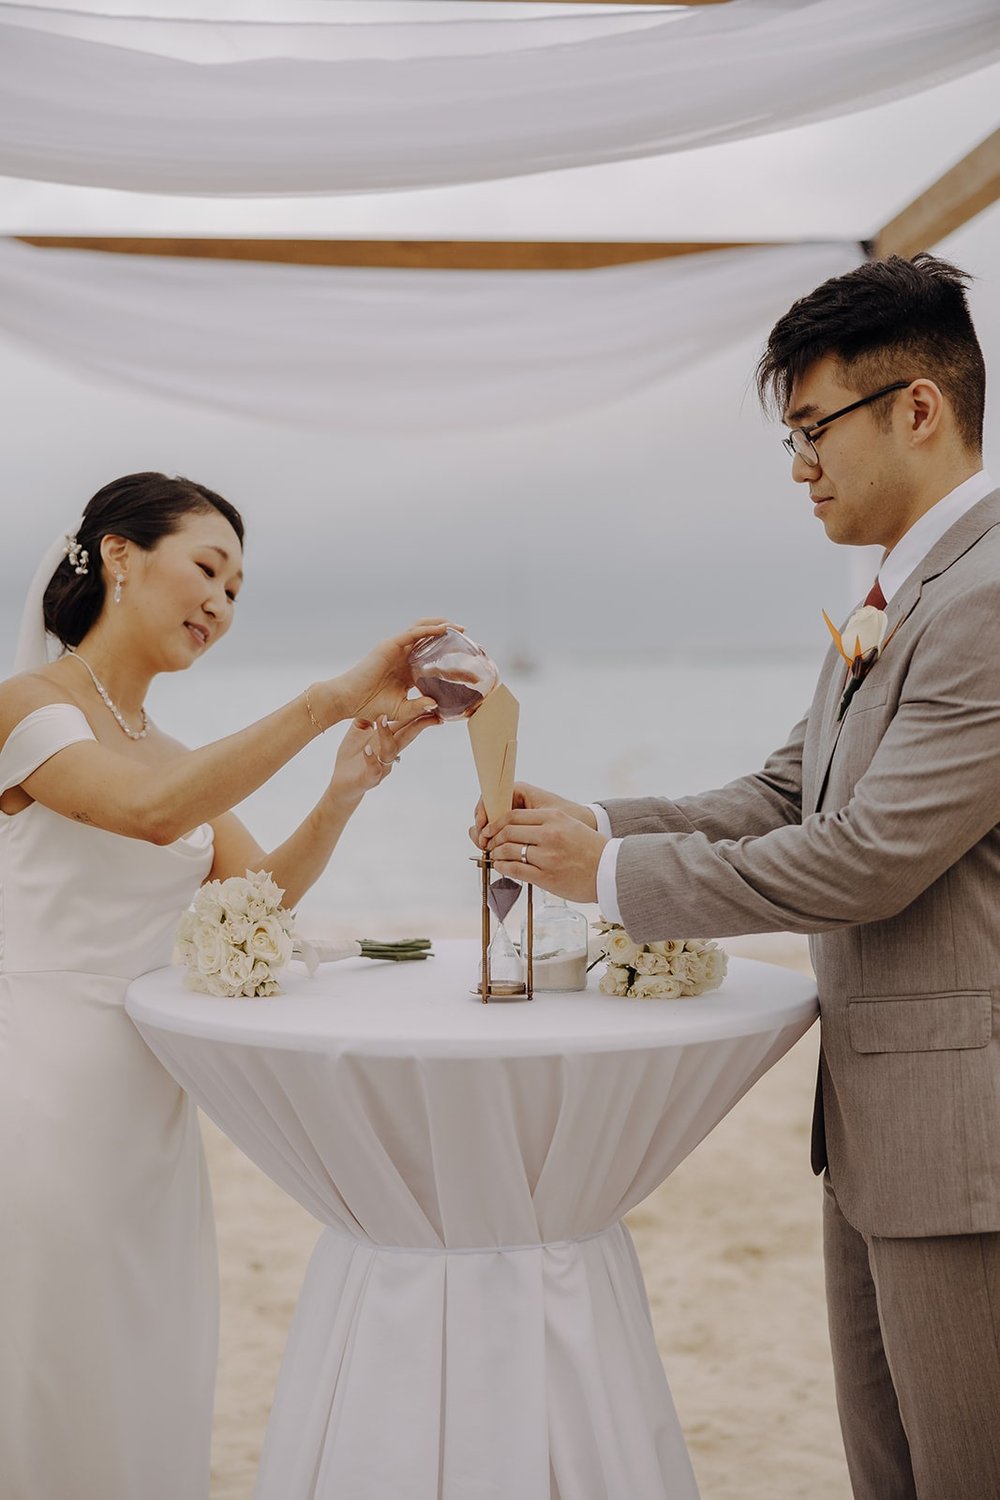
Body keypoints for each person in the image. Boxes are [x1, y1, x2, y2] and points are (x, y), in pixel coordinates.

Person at [477, 253, 1000, 1499]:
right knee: (893, 1470)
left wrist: (609, 878)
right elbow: (782, 795)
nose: (800, 467)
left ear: (917, 408)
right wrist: (586, 821)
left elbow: (870, 857)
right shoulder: (896, 595)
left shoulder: (984, 594)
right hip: (879, 1134)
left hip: (965, 1145)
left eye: (813, 429)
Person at [0, 470, 449, 1500]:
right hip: (40, 1092)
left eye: (238, 590)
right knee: (51, 1365)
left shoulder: (172, 750)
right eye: (207, 568)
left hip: (147, 1105)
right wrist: (328, 696)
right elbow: (154, 815)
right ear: (119, 555)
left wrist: (343, 791)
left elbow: (256, 899)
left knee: (143, 1357)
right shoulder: (27, 708)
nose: (222, 604)